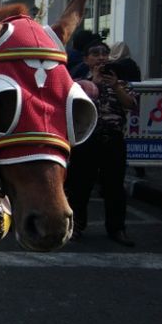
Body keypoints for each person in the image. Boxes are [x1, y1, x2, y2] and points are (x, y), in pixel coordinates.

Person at [66, 40, 137, 247]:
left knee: (114, 187)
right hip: (86, 140)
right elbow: (73, 105)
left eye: (104, 53)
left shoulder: (120, 82)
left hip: (113, 140)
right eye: (95, 54)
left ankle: (117, 228)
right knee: (80, 186)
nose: (100, 57)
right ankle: (76, 226)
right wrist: (94, 83)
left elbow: (131, 105)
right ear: (86, 59)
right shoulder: (78, 83)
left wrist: (114, 85)